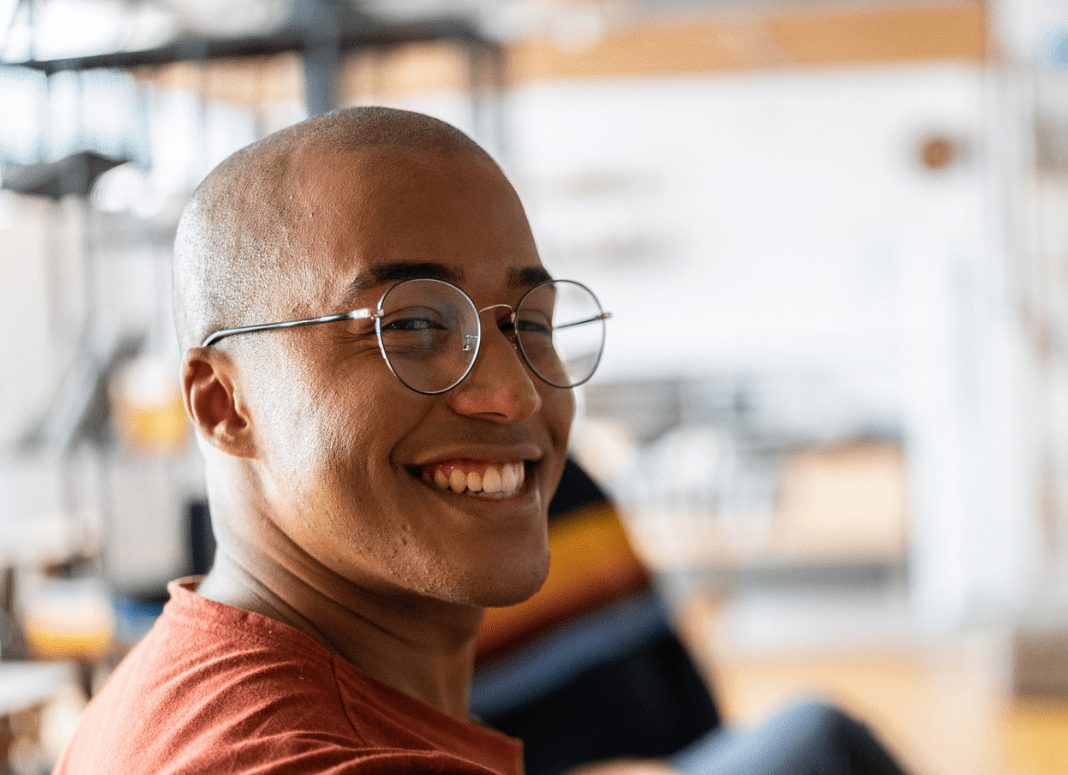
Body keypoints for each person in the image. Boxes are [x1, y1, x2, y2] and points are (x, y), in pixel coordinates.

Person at [54, 107, 909, 775]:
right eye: (415, 325)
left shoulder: (185, 677)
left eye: (531, 324)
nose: (514, 392)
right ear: (223, 404)